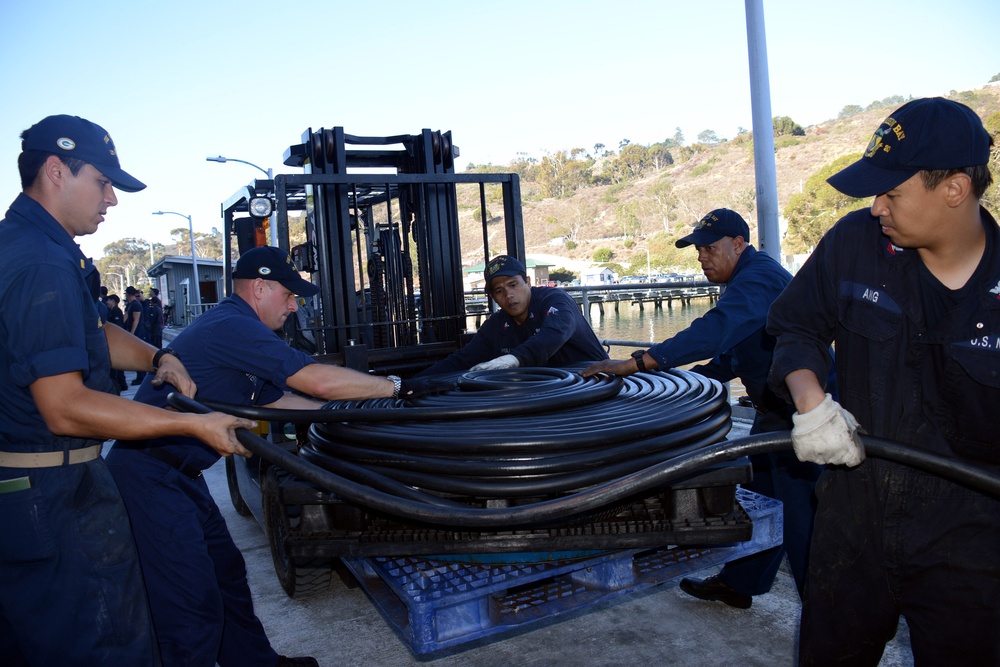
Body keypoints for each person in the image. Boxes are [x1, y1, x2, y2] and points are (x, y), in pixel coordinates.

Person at [106, 245, 446, 667]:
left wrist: (361, 415)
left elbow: (282, 401)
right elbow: (315, 383)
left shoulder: (240, 330)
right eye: (288, 295)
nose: (293, 305)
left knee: (226, 575)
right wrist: (397, 387)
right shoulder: (232, 325)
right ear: (260, 287)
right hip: (147, 475)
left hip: (180, 475)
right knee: (189, 603)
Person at [0, 114, 257, 667]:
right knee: (104, 642)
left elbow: (92, 332)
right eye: (103, 182)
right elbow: (66, 407)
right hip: (53, 491)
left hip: (34, 489)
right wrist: (193, 424)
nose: (111, 199)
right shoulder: (41, 262)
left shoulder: (33, 246)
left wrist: (159, 356)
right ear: (55, 171)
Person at [766, 97, 999, 665]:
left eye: (892, 193)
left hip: (973, 536)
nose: (876, 208)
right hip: (853, 514)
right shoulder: (854, 245)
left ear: (955, 188)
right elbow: (795, 327)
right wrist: (811, 400)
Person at [582, 208, 831, 608]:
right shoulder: (744, 282)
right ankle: (740, 583)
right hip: (774, 413)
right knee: (762, 502)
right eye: (698, 250)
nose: (702, 257)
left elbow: (715, 330)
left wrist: (635, 363)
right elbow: (732, 355)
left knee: (802, 519)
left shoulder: (759, 276)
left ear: (738, 244)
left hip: (804, 413)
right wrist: (679, 382)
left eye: (709, 248)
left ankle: (827, 616)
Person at [418, 254, 608, 375]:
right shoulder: (497, 325)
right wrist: (401, 386)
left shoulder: (554, 300)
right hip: (548, 393)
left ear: (527, 281)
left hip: (598, 384)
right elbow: (461, 360)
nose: (508, 295)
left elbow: (555, 332)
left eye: (513, 285)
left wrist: (513, 359)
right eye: (499, 291)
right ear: (493, 296)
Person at [125, 286, 148, 384]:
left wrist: (132, 333)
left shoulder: (136, 305)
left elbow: (136, 320)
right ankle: (140, 376)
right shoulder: (131, 305)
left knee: (138, 355)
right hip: (135, 332)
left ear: (128, 294)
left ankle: (141, 377)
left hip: (138, 333)